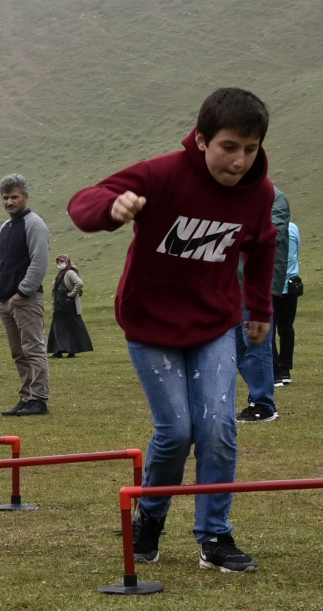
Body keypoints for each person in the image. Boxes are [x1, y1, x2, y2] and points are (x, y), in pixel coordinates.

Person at [67, 87, 278, 574]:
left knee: (219, 427)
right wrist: (112, 208)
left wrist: (260, 309)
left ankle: (215, 537)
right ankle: (149, 521)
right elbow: (84, 201)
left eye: (251, 149)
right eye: (229, 147)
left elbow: (263, 246)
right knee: (177, 430)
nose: (240, 160)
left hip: (214, 323)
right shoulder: (161, 173)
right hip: (151, 324)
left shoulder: (259, 193)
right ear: (202, 139)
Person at [0, 174, 51, 416]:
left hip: (25, 299)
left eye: (14, 197)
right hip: (6, 301)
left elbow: (39, 261)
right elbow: (4, 263)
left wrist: (22, 292)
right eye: (5, 198)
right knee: (18, 352)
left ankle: (39, 399)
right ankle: (26, 397)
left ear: (25, 197)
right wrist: (1, 296)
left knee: (33, 349)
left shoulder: (34, 223)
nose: (9, 202)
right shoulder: (6, 227)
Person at [233, 185, 290, 422]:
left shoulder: (274, 198)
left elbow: (272, 238)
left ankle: (264, 404)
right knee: (237, 347)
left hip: (255, 285)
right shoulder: (234, 195)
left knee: (256, 344)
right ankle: (258, 397)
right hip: (232, 285)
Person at [272, 216, 302, 386]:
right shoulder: (293, 228)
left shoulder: (267, 229)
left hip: (272, 286)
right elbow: (297, 251)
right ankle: (285, 370)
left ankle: (275, 372)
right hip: (291, 285)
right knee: (286, 328)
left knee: (269, 331)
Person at [46, 253, 93, 358]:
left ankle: (71, 351)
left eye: (61, 261)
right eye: (58, 262)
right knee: (59, 328)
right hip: (60, 306)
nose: (59, 263)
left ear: (66, 262)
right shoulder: (61, 273)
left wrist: (72, 294)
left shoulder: (69, 272)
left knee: (70, 327)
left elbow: (79, 283)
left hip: (69, 306)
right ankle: (59, 351)